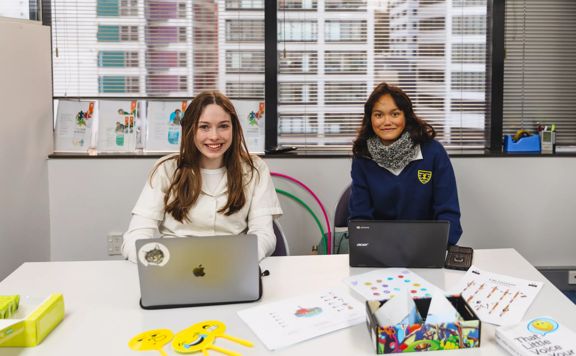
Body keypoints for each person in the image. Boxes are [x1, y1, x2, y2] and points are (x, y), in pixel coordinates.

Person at [121, 91, 283, 262]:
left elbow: (264, 234)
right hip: (176, 266)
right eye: (204, 127)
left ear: (234, 129)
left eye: (223, 126)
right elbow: (136, 236)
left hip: (233, 264)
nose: (214, 136)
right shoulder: (166, 169)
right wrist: (156, 261)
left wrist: (242, 259)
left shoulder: (255, 169)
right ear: (190, 130)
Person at [349, 82, 462, 245]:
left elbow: (448, 213)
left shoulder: (433, 152)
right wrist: (370, 249)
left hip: (428, 246)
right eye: (379, 115)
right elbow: (360, 219)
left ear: (406, 116)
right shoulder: (363, 157)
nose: (387, 122)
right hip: (379, 249)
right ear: (370, 119)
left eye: (395, 114)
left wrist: (438, 248)